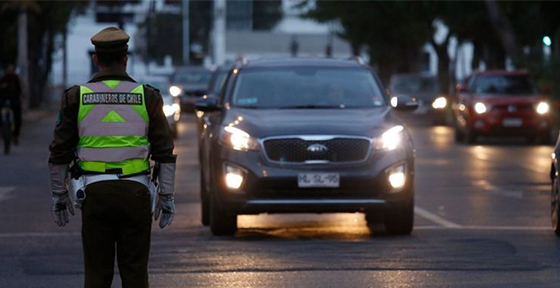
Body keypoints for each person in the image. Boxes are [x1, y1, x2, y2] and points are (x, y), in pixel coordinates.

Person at [48, 27, 176, 288]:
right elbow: (165, 153)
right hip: (136, 195)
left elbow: (59, 151)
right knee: (135, 275)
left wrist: (59, 194)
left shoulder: (76, 97)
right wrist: (166, 196)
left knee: (97, 274)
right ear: (125, 58)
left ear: (96, 59)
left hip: (95, 196)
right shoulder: (148, 97)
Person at [0, 64, 22, 144]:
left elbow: (19, 90)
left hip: (14, 101)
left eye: (12, 70)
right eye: (9, 70)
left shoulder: (16, 79)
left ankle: (15, 135)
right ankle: (3, 130)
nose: (10, 71)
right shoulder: (3, 78)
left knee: (18, 117)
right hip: (4, 101)